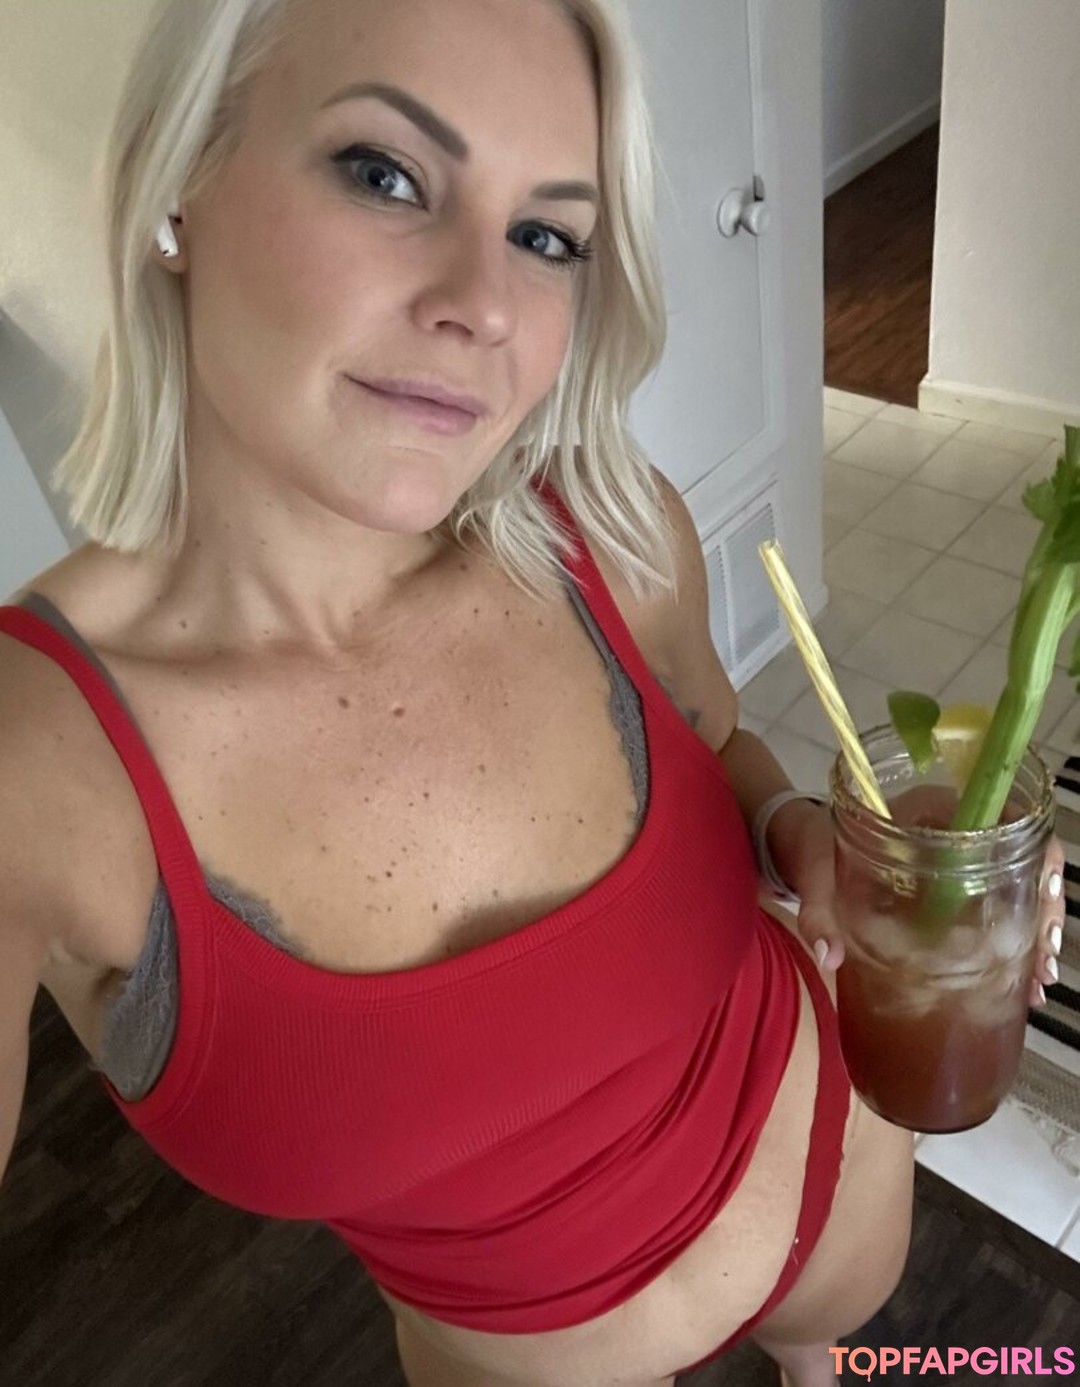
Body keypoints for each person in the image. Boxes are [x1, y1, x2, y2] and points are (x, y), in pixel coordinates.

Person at [0, 1, 1064, 1384]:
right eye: (386, 174)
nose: (487, 306)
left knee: (833, 1362)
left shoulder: (609, 536)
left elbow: (717, 742)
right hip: (520, 1361)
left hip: (830, 1180)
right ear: (176, 182)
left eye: (548, 236)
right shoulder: (39, 760)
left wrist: (802, 836)